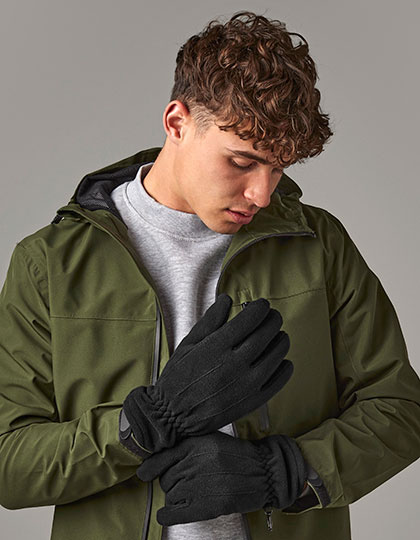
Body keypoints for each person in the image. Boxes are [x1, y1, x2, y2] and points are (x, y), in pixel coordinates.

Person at [0, 9, 419, 540]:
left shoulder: (318, 245)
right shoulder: (50, 263)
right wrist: (140, 425)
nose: (261, 194)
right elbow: (9, 464)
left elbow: (400, 410)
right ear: (177, 122)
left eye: (278, 168)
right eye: (241, 162)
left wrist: (281, 472)